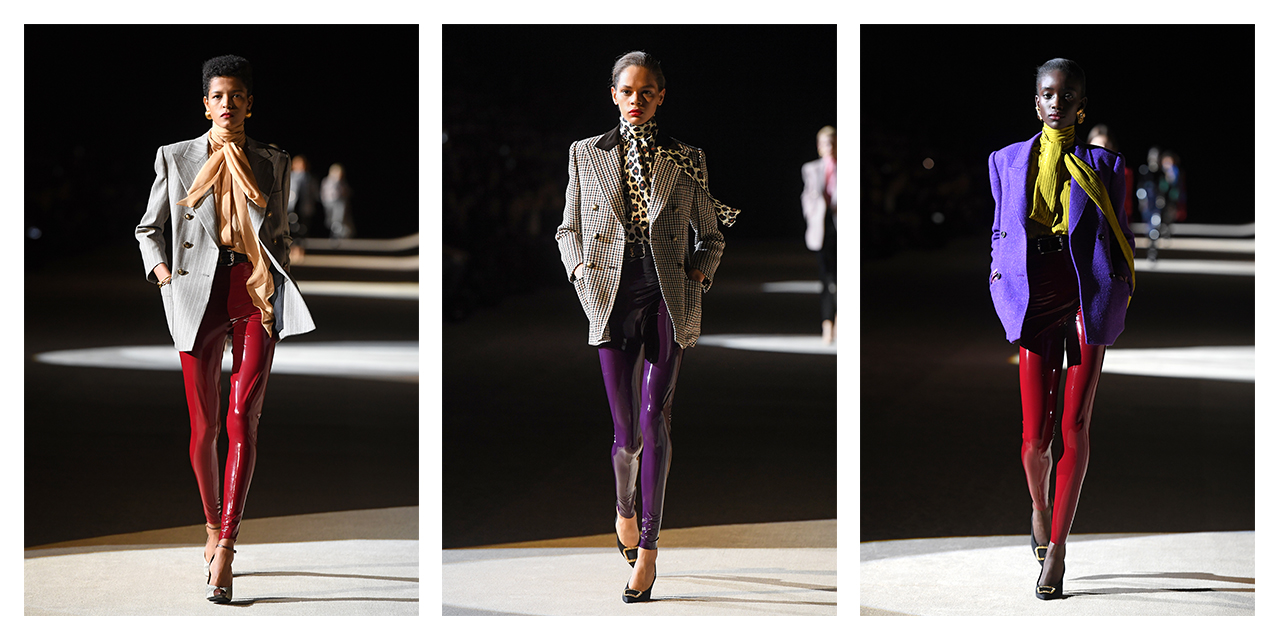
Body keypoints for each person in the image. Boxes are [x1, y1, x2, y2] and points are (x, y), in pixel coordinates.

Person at [135, 54, 316, 604]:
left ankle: (228, 547)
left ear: (249, 104)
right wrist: (165, 277)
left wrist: (280, 270)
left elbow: (281, 230)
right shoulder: (176, 156)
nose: (228, 104)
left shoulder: (272, 160)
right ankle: (211, 525)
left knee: (243, 419)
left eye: (237, 96)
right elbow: (148, 229)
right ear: (206, 104)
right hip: (196, 293)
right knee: (204, 427)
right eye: (218, 96)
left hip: (254, 292)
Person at [555, 50, 733, 604]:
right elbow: (567, 229)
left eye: (647, 91)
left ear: (661, 96)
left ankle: (650, 551)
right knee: (626, 434)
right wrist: (580, 272)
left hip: (666, 295)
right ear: (613, 95)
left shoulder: (687, 158)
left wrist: (698, 273)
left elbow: (711, 233)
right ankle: (624, 508)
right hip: (609, 295)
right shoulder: (585, 153)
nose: (637, 99)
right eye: (628, 91)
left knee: (656, 420)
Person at [987, 58, 1135, 600]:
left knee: (1073, 425)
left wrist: (1118, 288)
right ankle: (1039, 507)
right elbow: (1001, 230)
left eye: (1067, 95)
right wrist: (998, 279)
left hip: (1084, 296)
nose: (1057, 102)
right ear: (1036, 102)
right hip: (1033, 296)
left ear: (1081, 106)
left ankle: (1057, 550)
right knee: (1034, 438)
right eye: (1048, 94)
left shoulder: (1105, 165)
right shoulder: (1005, 161)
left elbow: (1119, 235)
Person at [801, 126, 837, 343]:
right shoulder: (811, 168)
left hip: (839, 226)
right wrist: (812, 214)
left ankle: (838, 320)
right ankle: (827, 323)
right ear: (818, 146)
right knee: (826, 278)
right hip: (821, 228)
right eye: (825, 143)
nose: (829, 146)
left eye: (832, 142)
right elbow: (807, 196)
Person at [287, 154, 320, 262]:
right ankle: (291, 250)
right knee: (291, 229)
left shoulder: (309, 178)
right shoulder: (290, 176)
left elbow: (315, 193)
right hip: (291, 207)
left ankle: (300, 250)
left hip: (305, 208)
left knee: (303, 230)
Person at [321, 162, 354, 240]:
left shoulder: (343, 183)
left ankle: (338, 234)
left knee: (338, 218)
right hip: (329, 204)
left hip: (339, 204)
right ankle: (335, 232)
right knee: (330, 220)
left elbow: (348, 192)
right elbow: (323, 193)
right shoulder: (327, 181)